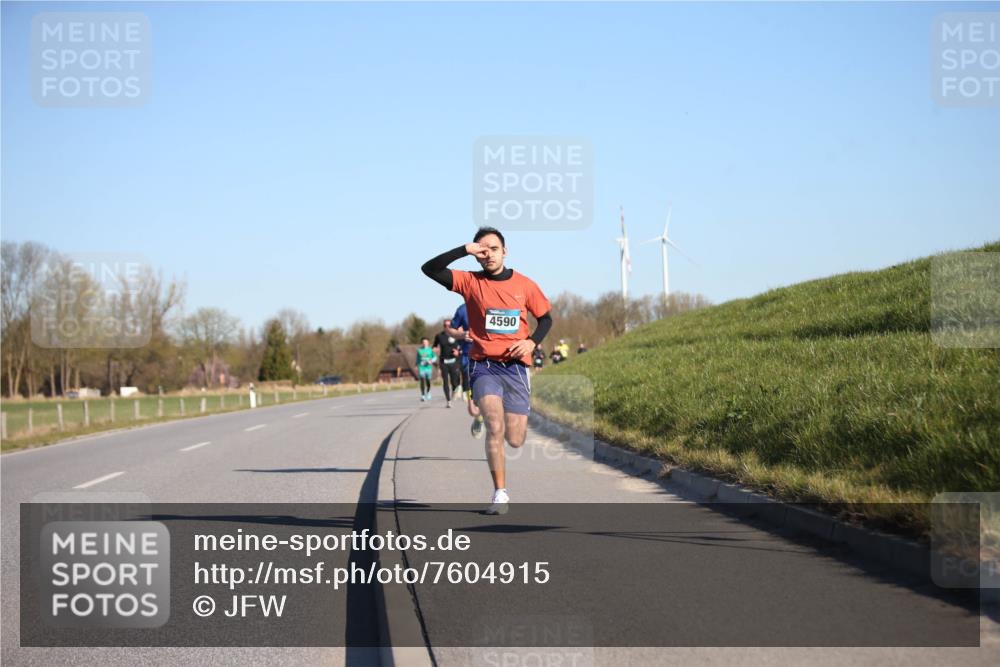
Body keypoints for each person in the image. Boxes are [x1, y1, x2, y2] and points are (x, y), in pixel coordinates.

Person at [422, 226, 553, 515]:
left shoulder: (525, 285)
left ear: (504, 251)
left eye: (493, 248)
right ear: (476, 255)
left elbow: (545, 319)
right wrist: (463, 250)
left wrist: (531, 342)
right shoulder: (469, 282)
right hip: (484, 366)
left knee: (515, 439)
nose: (488, 254)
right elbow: (429, 268)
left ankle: (510, 418)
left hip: (516, 368)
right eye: (482, 250)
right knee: (494, 425)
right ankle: (500, 494)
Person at [447, 304, 485, 438]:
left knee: (492, 402)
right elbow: (450, 330)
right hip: (469, 359)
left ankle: (493, 429)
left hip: (491, 359)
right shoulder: (463, 309)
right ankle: (479, 418)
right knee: (473, 410)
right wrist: (462, 334)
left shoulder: (496, 304)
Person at [433, 319, 462, 408]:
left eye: (449, 325)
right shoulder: (439, 336)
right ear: (443, 326)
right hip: (444, 361)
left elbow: (462, 347)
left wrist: (459, 352)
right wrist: (435, 350)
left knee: (455, 381)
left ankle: (455, 390)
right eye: (445, 326)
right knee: (445, 381)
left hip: (454, 361)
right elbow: (434, 346)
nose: (447, 327)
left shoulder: (457, 335)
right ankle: (448, 401)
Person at [415, 337, 436, 401]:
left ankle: (428, 392)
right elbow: (417, 359)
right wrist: (416, 365)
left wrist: (431, 361)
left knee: (428, 381)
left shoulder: (430, 350)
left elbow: (435, 357)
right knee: (422, 380)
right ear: (422, 343)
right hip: (421, 367)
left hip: (428, 368)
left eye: (426, 342)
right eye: (423, 342)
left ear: (428, 343)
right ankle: (423, 395)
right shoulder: (419, 350)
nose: (424, 343)